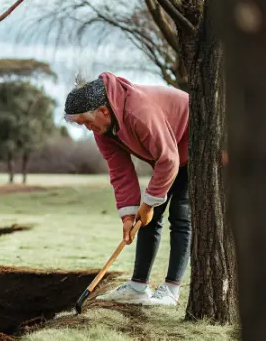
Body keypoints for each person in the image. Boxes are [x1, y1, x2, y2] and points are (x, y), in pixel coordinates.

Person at [64, 72, 189, 306]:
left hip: (191, 143)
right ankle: (138, 287)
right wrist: (129, 215)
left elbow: (168, 160)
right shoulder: (103, 130)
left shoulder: (138, 112)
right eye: (83, 126)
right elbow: (120, 172)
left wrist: (150, 202)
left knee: (181, 215)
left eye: (88, 122)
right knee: (148, 219)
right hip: (169, 154)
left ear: (103, 110)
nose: (89, 129)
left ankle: (171, 290)